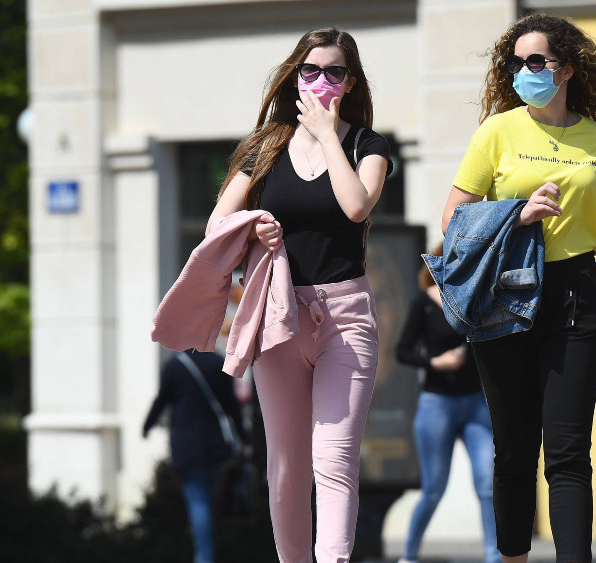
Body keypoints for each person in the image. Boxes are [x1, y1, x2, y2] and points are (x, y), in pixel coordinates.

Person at [439, 14, 596, 562]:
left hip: (575, 290)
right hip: (505, 290)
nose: (525, 71)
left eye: (537, 62)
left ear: (566, 69)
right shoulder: (497, 131)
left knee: (569, 452)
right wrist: (517, 214)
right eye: (517, 63)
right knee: (514, 448)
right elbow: (454, 220)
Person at [204, 28, 391, 563]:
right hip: (278, 314)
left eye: (335, 72)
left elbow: (356, 206)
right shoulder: (264, 148)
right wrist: (255, 224)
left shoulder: (365, 146)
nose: (322, 81)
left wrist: (329, 135)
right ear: (294, 78)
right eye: (311, 71)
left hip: (345, 316)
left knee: (334, 461)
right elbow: (219, 223)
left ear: (349, 81)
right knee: (285, 467)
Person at [395, 243, 499, 563]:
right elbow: (403, 351)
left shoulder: (477, 298)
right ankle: (409, 556)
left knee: (487, 483)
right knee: (433, 489)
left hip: (476, 402)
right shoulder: (423, 304)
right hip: (437, 403)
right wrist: (436, 362)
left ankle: (494, 556)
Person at [143, 350, 244, 563]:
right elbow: (231, 406)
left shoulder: (175, 366)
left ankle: (205, 557)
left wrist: (147, 426)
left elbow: (161, 401)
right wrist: (244, 438)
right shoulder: (219, 364)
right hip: (216, 446)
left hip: (187, 447)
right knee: (213, 501)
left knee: (199, 502)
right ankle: (219, 550)